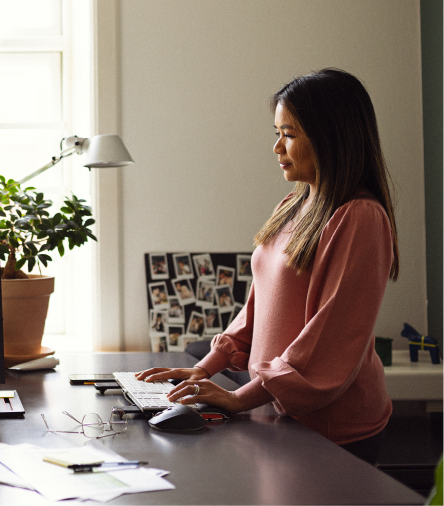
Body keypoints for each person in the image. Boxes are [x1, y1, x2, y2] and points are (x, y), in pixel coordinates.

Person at [136, 68, 399, 465]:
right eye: (277, 133)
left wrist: (239, 398)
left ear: (331, 136)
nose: (277, 147)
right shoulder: (292, 206)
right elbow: (257, 308)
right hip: (278, 414)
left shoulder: (360, 217)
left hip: (332, 433)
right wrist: (204, 370)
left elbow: (330, 340)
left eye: (289, 135)